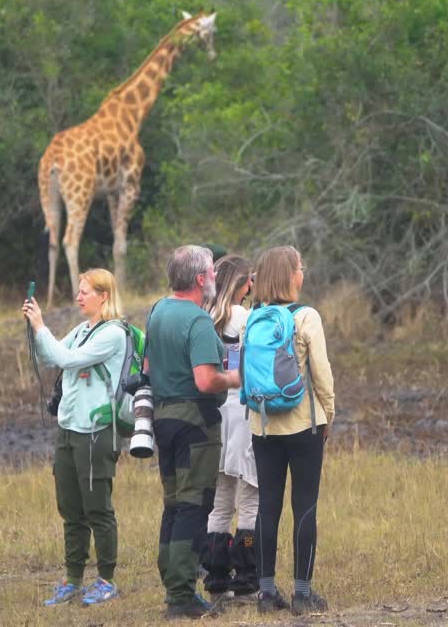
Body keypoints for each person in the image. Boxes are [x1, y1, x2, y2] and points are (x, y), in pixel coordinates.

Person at [145, 245, 240, 619]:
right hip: (195, 422)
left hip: (163, 417)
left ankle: (172, 580)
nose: (216, 278)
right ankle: (182, 595)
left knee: (173, 503)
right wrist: (237, 377)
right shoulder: (198, 321)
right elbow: (205, 380)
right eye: (213, 273)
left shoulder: (158, 311)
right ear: (200, 279)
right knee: (194, 505)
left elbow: (149, 366)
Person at [23, 268, 127, 607]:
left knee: (98, 509)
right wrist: (35, 330)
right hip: (68, 429)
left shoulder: (113, 334)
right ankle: (72, 580)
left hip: (96, 431)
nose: (78, 296)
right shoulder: (83, 329)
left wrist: (41, 326)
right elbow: (48, 355)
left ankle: (107, 580)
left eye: (85, 291)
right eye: (79, 290)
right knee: (70, 508)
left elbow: (64, 358)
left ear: (104, 296)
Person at [247, 246, 335, 615]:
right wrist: (328, 414)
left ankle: (266, 594)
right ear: (290, 275)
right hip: (303, 424)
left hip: (262, 426)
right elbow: (322, 373)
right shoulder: (306, 316)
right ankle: (302, 593)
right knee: (305, 506)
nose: (303, 273)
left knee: (266, 506)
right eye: (300, 268)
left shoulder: (252, 317)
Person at [200, 255, 260, 602]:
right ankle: (247, 580)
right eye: (248, 280)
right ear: (239, 284)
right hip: (242, 411)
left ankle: (217, 579)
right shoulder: (244, 318)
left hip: (215, 414)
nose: (251, 286)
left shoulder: (205, 317)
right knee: (249, 498)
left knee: (220, 502)